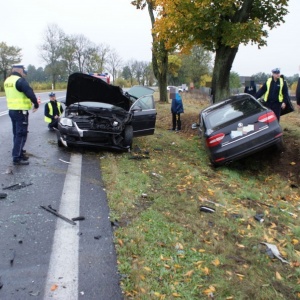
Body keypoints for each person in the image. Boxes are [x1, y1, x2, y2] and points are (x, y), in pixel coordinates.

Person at [4, 65, 39, 166]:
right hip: (21, 112)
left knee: (16, 133)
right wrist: (36, 104)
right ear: (20, 70)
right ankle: (17, 157)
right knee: (21, 134)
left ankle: (18, 152)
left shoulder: (7, 81)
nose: (24, 74)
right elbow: (30, 93)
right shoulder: (20, 81)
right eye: (23, 71)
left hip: (12, 111)